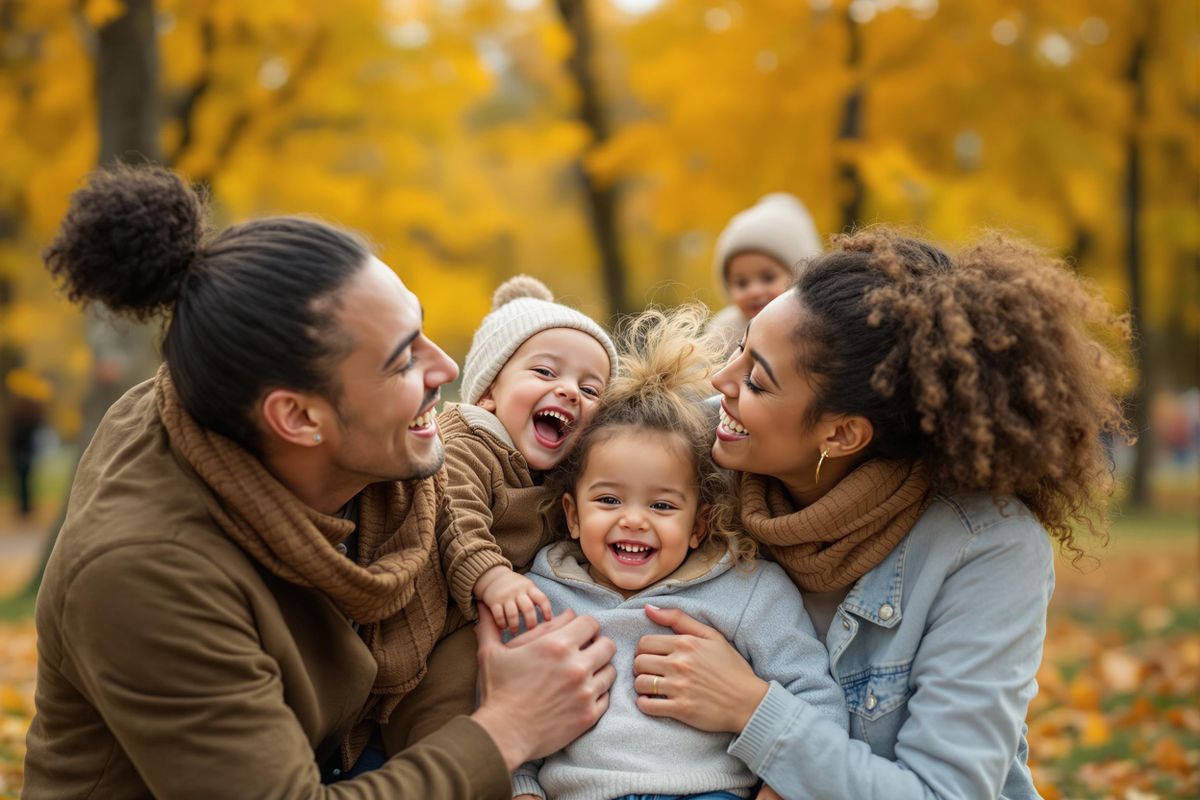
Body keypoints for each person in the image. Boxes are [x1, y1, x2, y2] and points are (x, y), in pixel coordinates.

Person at [22, 165, 617, 799]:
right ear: (299, 417)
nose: (445, 366)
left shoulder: (280, 419)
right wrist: (509, 729)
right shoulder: (146, 573)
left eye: (419, 328)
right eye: (402, 360)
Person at [634, 230, 1131, 799]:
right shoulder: (693, 457)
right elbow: (534, 472)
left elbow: (945, 792)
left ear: (841, 433)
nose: (722, 381)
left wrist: (751, 709)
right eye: (738, 349)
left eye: (756, 379)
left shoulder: (985, 547)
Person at [513, 307, 846, 800]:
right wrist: (523, 789)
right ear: (573, 514)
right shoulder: (541, 597)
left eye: (663, 505)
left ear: (699, 525)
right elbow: (509, 715)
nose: (633, 520)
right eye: (608, 500)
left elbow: (817, 704)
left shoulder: (746, 591)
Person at [440, 274, 618, 632]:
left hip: (488, 619)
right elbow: (453, 513)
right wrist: (492, 577)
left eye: (590, 389)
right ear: (488, 392)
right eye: (544, 371)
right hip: (436, 623)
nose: (569, 391)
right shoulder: (466, 442)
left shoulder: (565, 471)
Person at [705, 194, 822, 360]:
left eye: (768, 278)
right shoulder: (724, 333)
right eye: (742, 283)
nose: (754, 291)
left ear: (801, 276)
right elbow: (701, 378)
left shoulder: (814, 328)